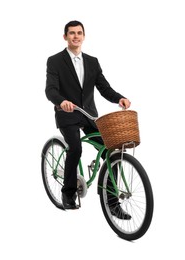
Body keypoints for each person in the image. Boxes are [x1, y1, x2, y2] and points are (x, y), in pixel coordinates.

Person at [45, 21, 131, 218]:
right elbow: (50, 90)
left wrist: (119, 98)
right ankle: (68, 194)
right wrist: (61, 101)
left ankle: (112, 202)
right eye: (72, 33)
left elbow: (104, 87)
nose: (76, 36)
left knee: (112, 151)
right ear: (65, 36)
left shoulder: (92, 61)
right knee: (75, 148)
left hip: (89, 115)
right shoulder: (55, 61)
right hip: (67, 114)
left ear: (84, 36)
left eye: (79, 33)